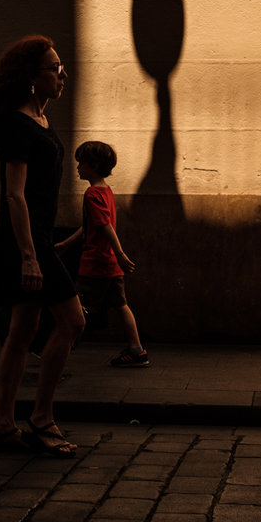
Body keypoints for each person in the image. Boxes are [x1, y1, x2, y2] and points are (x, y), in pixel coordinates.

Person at [0, 35, 85, 456]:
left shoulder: (41, 120)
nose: (62, 74)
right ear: (31, 77)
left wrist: (48, 243)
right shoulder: (16, 124)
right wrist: (29, 254)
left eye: (61, 66)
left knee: (22, 331)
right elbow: (15, 195)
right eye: (54, 68)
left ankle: (2, 426)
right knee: (73, 321)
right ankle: (41, 417)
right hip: (24, 242)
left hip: (40, 239)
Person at [56, 141, 148, 368]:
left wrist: (120, 253)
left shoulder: (91, 194)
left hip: (95, 263)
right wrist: (66, 245)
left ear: (93, 165)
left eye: (81, 163)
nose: (77, 167)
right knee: (121, 305)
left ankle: (57, 350)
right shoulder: (106, 191)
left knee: (73, 306)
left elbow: (105, 226)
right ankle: (137, 350)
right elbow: (91, 226)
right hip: (110, 265)